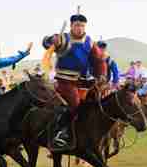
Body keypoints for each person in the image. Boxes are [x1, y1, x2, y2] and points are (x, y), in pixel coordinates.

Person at [42, 13, 107, 150]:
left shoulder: (89, 42)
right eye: (77, 25)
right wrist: (51, 40)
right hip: (64, 81)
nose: (80, 28)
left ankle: (91, 132)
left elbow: (98, 60)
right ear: (71, 26)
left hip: (82, 81)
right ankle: (61, 133)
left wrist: (101, 75)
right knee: (75, 104)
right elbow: (46, 43)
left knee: (98, 101)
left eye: (82, 26)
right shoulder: (63, 38)